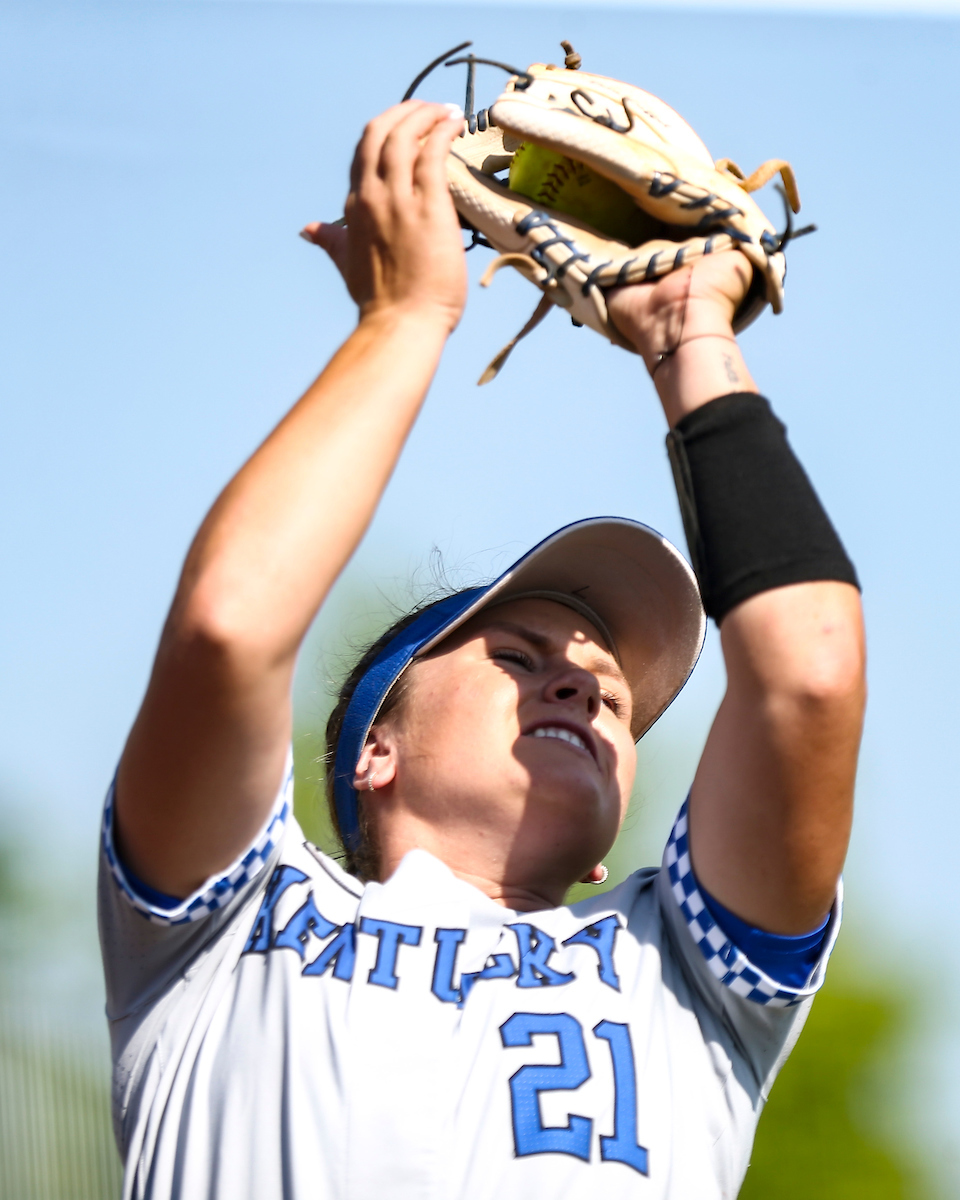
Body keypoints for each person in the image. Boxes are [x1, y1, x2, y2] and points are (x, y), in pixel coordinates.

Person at [98, 99, 865, 1200]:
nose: (583, 679)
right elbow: (229, 623)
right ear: (376, 752)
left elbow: (812, 675)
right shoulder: (229, 924)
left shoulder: (684, 972)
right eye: (514, 656)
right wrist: (403, 319)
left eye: (609, 690)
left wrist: (692, 338)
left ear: (612, 851)